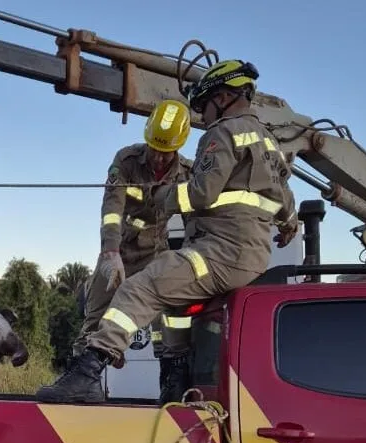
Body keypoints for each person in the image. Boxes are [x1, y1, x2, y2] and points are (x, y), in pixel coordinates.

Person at [37, 59, 299, 404]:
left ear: (222, 97)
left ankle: (87, 374)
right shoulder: (269, 143)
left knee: (139, 289)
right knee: (173, 311)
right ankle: (175, 385)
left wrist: (164, 196)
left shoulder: (221, 134)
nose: (203, 114)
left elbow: (201, 194)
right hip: (244, 255)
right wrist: (289, 223)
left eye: (204, 105)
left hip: (219, 252)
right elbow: (285, 200)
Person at [72, 99, 195, 403]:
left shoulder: (189, 174)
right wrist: (110, 252)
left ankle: (172, 379)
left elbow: (196, 217)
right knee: (96, 313)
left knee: (169, 319)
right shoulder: (126, 160)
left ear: (177, 147)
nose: (158, 156)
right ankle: (79, 381)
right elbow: (111, 208)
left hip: (157, 252)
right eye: (154, 147)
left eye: (166, 151)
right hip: (120, 251)